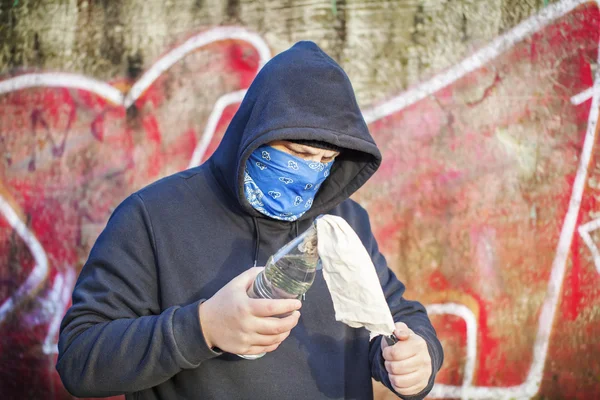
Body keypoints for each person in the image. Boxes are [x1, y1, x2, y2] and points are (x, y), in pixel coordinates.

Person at [57, 41, 443, 399]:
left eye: (326, 161)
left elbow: (395, 315)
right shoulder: (152, 216)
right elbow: (79, 358)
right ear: (256, 131)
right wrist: (203, 328)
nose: (310, 172)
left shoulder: (344, 221)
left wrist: (415, 357)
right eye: (298, 151)